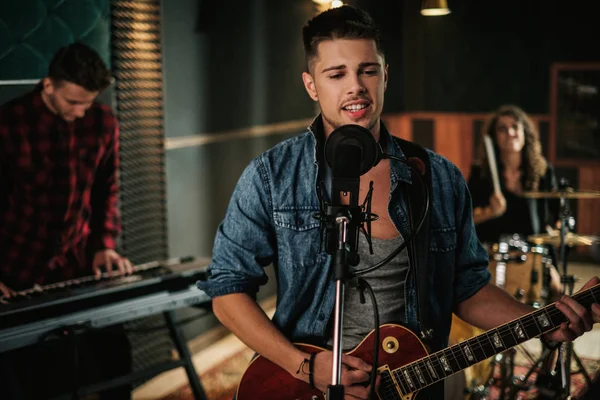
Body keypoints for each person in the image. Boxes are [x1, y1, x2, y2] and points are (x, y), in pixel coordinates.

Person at [198, 6, 600, 400]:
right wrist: (304, 366)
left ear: (385, 76)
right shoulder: (272, 175)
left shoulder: (438, 177)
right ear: (311, 85)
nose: (355, 86)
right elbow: (228, 292)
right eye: (336, 74)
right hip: (302, 386)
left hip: (413, 384)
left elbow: (469, 288)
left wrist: (540, 322)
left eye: (367, 71)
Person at [0, 43, 133, 399]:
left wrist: (104, 244)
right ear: (48, 86)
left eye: (88, 102)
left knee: (114, 356)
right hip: (16, 269)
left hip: (77, 263)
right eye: (73, 102)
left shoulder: (103, 123)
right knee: (40, 378)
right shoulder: (8, 124)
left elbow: (108, 189)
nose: (81, 111)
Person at [468, 105, 559, 244]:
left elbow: (560, 215)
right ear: (494, 137)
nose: (510, 133)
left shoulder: (543, 173)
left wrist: (559, 232)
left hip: (533, 256)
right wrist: (490, 211)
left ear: (525, 133)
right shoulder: (480, 173)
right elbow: (464, 219)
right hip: (490, 258)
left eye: (515, 127)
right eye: (502, 129)